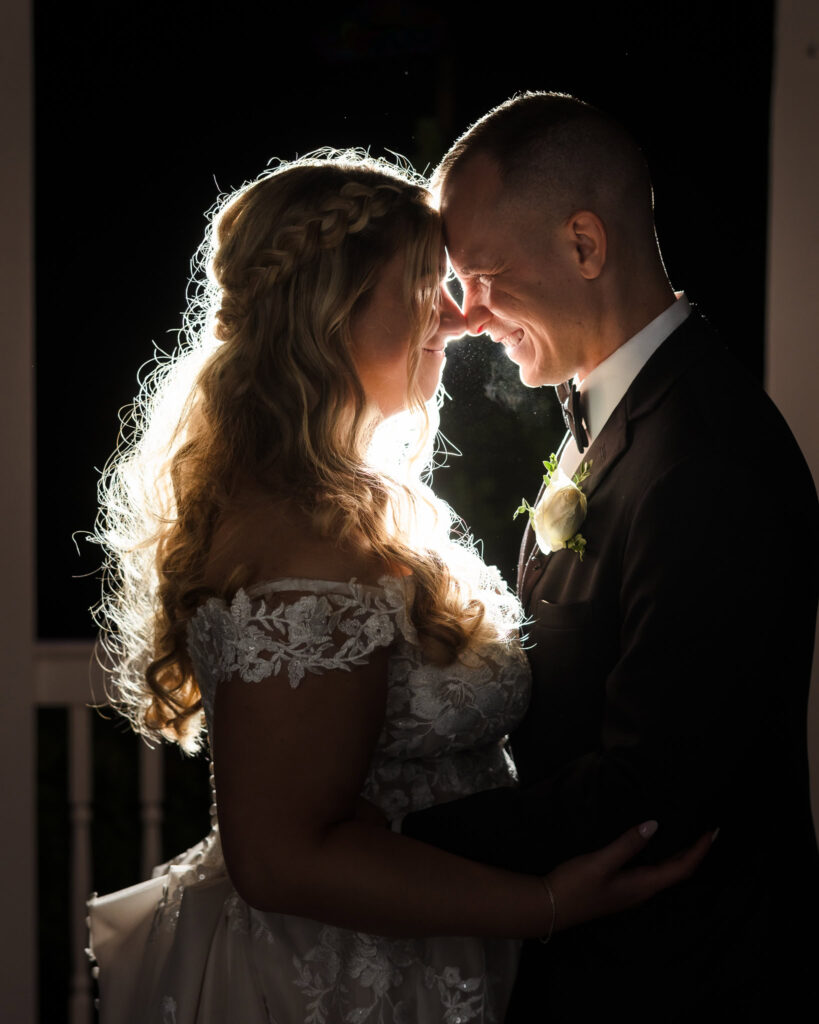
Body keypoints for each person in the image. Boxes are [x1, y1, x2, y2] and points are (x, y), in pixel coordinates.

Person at [86, 152, 710, 1024]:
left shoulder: (348, 496)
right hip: (343, 975)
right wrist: (547, 906)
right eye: (424, 287)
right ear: (331, 314)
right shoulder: (301, 540)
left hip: (431, 939)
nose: (455, 319)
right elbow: (280, 860)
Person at [400, 93, 819, 1021]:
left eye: (480, 274)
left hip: (686, 979)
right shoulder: (627, 413)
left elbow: (651, 786)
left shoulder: (704, 456)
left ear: (584, 245)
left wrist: (389, 842)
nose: (467, 315)